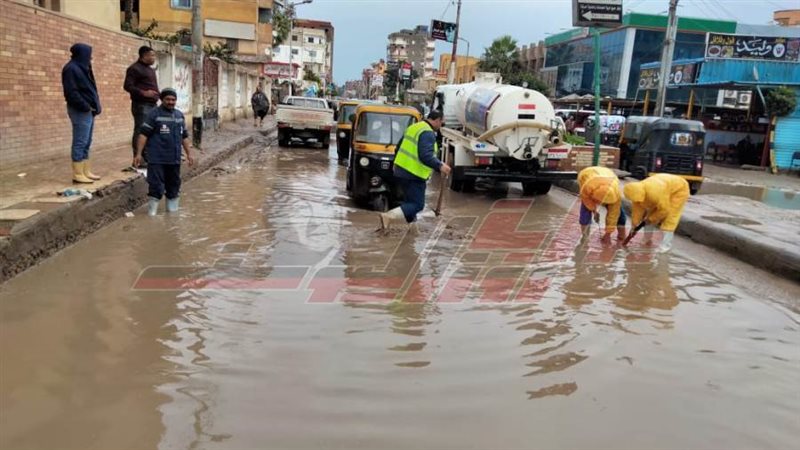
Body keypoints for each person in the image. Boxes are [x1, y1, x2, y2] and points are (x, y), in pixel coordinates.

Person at [379, 110, 451, 229]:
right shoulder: (428, 133)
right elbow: (425, 156)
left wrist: (396, 163)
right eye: (441, 123)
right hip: (413, 174)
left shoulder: (414, 127)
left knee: (409, 202)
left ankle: (412, 229)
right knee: (417, 205)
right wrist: (440, 165)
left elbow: (399, 146)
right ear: (437, 120)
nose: (441, 126)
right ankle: (388, 216)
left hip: (401, 171)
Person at [133, 88, 195, 216]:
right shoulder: (153, 114)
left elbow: (184, 137)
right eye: (168, 99)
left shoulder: (179, 115)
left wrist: (189, 154)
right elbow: (143, 135)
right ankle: (152, 215)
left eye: (173, 100)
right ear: (162, 100)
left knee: (174, 187)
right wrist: (138, 154)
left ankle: (172, 217)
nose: (171, 102)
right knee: (156, 187)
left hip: (174, 159)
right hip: (157, 159)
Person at [62, 43, 102, 184]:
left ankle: (86, 170)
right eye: (88, 54)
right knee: (80, 141)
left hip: (89, 110)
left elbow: (91, 89)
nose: (90, 57)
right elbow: (71, 92)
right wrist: (86, 106)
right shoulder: (71, 69)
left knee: (87, 141)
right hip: (80, 110)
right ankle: (77, 173)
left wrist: (96, 106)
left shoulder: (84, 67)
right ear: (81, 54)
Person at [623, 173, 690, 253]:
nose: (637, 201)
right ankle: (647, 239)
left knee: (670, 219)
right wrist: (634, 226)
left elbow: (665, 210)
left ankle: (665, 246)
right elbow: (637, 211)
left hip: (679, 190)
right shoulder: (635, 191)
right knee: (648, 217)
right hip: (664, 186)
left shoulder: (654, 194)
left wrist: (652, 219)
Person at [124, 46, 160, 165]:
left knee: (151, 131)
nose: (154, 57)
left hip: (153, 105)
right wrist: (144, 93)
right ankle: (138, 159)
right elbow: (127, 86)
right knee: (140, 130)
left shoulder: (150, 69)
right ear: (144, 55)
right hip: (141, 105)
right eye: (152, 55)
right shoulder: (134, 69)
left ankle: (148, 156)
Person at [577, 166, 626, 243]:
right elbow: (587, 201)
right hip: (587, 173)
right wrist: (594, 211)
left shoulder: (616, 195)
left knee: (619, 213)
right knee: (585, 211)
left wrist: (608, 234)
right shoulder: (587, 187)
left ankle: (622, 236)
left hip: (608, 175)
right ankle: (585, 238)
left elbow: (613, 215)